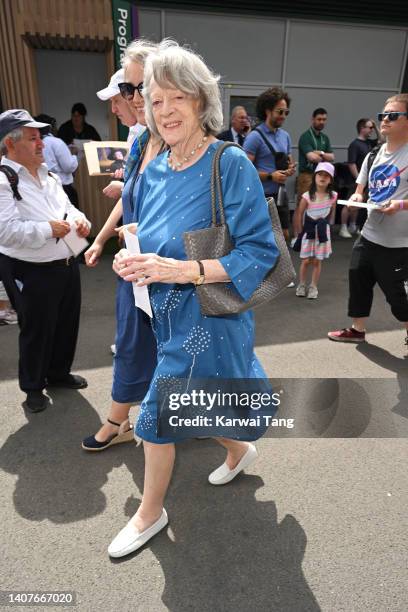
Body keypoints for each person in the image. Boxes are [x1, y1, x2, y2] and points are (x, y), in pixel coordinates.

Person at [107, 40, 279, 558]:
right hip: (164, 314)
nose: (165, 111)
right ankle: (238, 446)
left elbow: (260, 252)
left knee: (157, 415)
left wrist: (179, 269)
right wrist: (133, 248)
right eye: (154, 102)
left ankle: (150, 512)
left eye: (175, 98)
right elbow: (157, 233)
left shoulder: (229, 163)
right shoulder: (158, 168)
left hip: (211, 315)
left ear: (201, 101)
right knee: (195, 401)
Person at [82, 39, 160, 451]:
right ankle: (125, 420)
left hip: (156, 268)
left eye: (126, 91)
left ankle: (119, 421)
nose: (117, 104)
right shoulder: (142, 143)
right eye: (124, 91)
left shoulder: (176, 146)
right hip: (138, 264)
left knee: (148, 345)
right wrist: (103, 238)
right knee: (141, 344)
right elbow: (133, 198)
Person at [0, 109, 91, 412]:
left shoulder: (48, 174)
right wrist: (47, 229)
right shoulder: (4, 179)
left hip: (65, 264)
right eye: (33, 138)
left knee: (66, 322)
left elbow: (68, 209)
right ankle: (33, 386)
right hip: (31, 269)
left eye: (40, 137)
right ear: (10, 144)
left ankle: (58, 374)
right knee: (37, 329)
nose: (41, 143)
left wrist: (80, 222)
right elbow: (5, 232)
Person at [328, 94, 408, 349]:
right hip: (369, 235)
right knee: (358, 278)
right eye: (383, 114)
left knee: (399, 297)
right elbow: (360, 188)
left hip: (399, 244)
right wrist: (355, 196)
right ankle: (357, 329)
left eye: (392, 115)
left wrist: (400, 205)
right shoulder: (374, 155)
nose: (384, 120)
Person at [244, 87, 296, 241]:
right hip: (261, 197)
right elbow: (245, 171)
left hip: (281, 195)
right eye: (280, 112)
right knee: (264, 241)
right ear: (268, 111)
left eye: (286, 112)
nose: (283, 116)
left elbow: (289, 162)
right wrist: (270, 176)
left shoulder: (285, 136)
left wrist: (290, 169)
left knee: (283, 237)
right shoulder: (255, 137)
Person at [96, 68, 143, 201]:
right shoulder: (134, 130)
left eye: (116, 101)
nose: (113, 109)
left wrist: (123, 188)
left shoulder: (152, 134)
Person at [294, 162, 337, 299]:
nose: (322, 178)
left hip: (323, 232)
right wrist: (299, 232)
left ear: (331, 180)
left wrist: (329, 226)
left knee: (317, 261)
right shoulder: (307, 196)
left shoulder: (333, 196)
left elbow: (332, 212)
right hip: (309, 231)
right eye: (320, 174)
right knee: (306, 260)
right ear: (314, 177)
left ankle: (313, 286)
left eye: (326, 175)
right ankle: (301, 284)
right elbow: (299, 213)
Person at [294, 108, 334, 236]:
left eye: (324, 119)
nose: (322, 122)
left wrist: (320, 153)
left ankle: (312, 234)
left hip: (321, 176)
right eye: (319, 119)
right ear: (313, 119)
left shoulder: (325, 138)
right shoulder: (305, 136)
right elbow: (312, 157)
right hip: (307, 176)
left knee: (317, 206)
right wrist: (321, 156)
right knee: (302, 206)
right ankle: (297, 235)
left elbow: (332, 157)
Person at [340, 118, 380, 237]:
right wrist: (359, 180)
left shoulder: (368, 143)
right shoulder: (354, 144)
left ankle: (353, 225)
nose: (372, 130)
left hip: (366, 181)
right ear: (362, 128)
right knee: (349, 203)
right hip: (355, 180)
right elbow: (351, 163)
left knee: (359, 203)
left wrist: (375, 126)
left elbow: (382, 139)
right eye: (370, 127)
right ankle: (343, 227)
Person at [34, 114, 79, 207]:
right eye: (55, 126)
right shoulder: (56, 142)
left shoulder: (33, 143)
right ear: (50, 127)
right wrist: (74, 154)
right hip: (62, 188)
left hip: (43, 190)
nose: (57, 129)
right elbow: (68, 166)